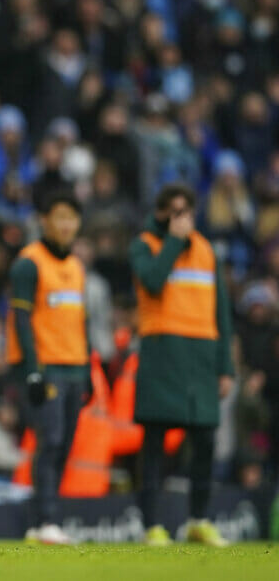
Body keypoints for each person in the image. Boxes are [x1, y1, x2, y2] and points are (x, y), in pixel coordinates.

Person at [130, 184, 234, 547]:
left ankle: (199, 520)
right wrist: (173, 241)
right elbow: (154, 281)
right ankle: (152, 526)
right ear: (160, 214)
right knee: (155, 443)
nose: (181, 220)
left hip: (202, 359)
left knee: (205, 441)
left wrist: (226, 368)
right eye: (174, 213)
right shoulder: (144, 245)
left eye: (186, 213)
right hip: (162, 355)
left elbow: (222, 312)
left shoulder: (207, 251)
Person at [5, 189, 87, 545]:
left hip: (74, 368)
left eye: (72, 218)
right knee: (50, 442)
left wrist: (89, 370)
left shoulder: (76, 267)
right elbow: (21, 319)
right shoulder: (29, 263)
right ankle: (44, 520)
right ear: (44, 221)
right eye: (60, 217)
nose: (67, 225)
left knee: (65, 445)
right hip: (46, 367)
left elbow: (79, 322)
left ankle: (43, 522)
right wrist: (32, 370)